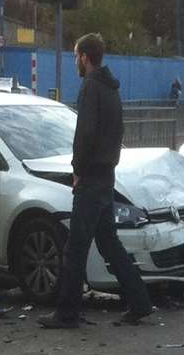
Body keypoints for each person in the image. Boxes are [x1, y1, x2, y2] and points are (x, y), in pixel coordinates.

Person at [42, 33, 153, 329]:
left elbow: (85, 134)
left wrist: (77, 169)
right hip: (107, 175)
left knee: (75, 248)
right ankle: (141, 302)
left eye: (75, 55)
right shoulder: (111, 89)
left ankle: (66, 313)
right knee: (109, 244)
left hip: (90, 178)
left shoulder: (91, 87)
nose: (74, 61)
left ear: (84, 57)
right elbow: (117, 132)